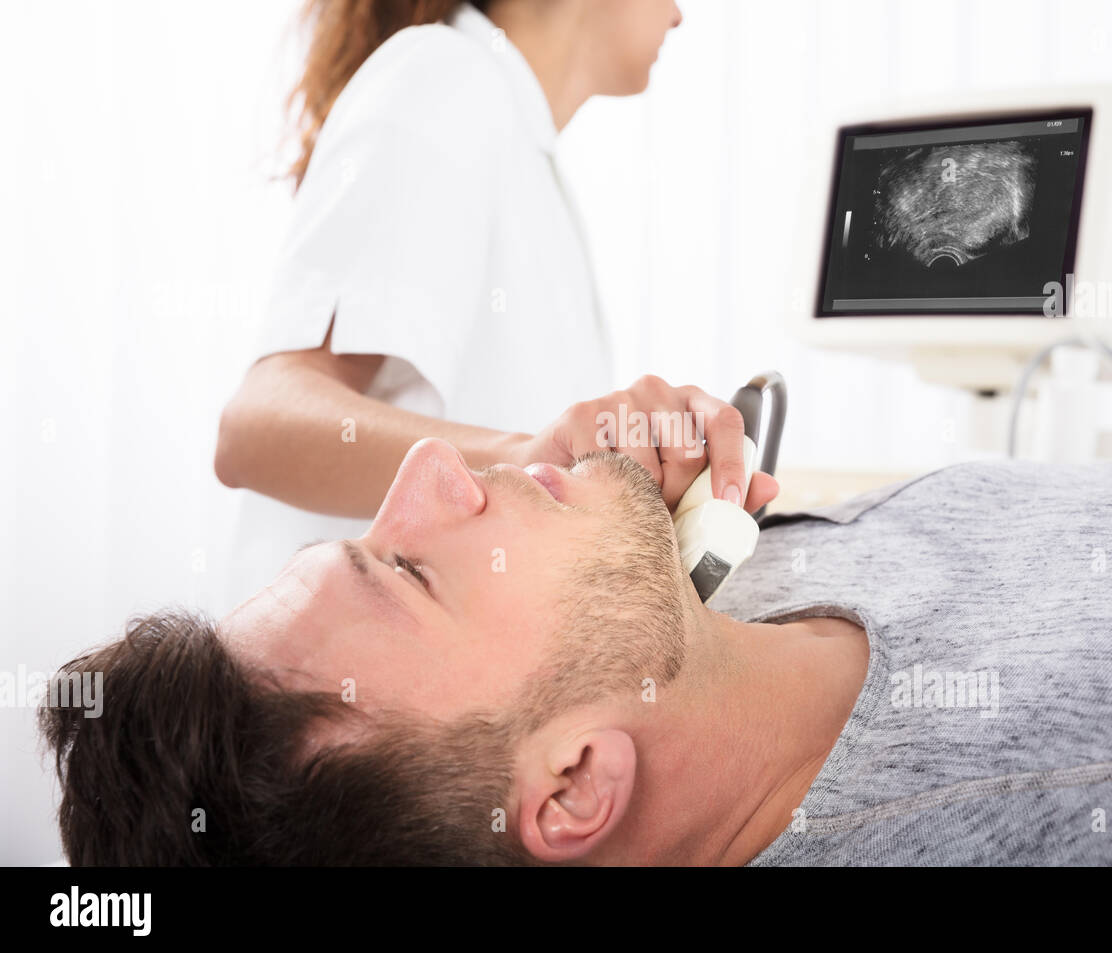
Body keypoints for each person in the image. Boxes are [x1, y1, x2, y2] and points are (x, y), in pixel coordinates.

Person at [42, 438, 1112, 865]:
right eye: (409, 569)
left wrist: (623, 518)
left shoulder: (709, 605)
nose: (423, 469)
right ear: (579, 782)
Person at [211, 0, 778, 609]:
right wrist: (528, 460)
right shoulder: (445, 77)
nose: (680, 13)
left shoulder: (517, 142)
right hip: (333, 685)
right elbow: (256, 428)